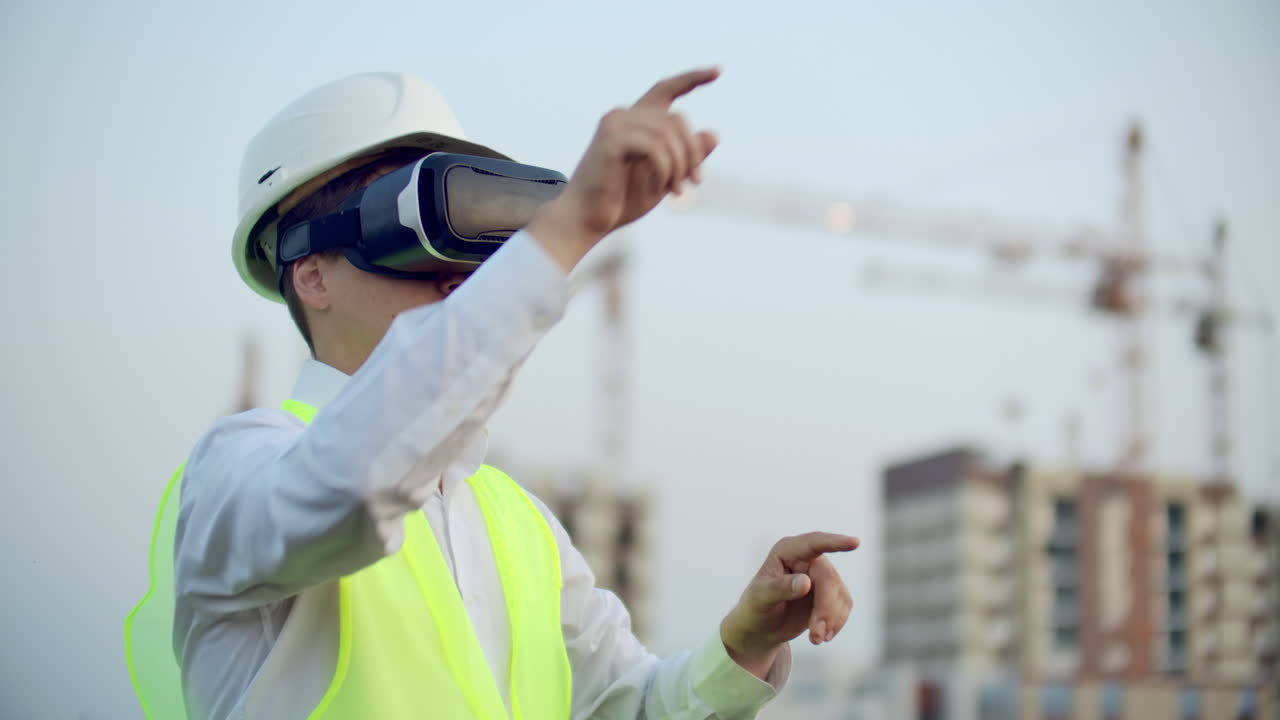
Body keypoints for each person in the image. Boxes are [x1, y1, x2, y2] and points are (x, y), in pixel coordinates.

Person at [125, 67, 860, 720]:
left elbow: (628, 706)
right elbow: (351, 486)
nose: (454, 267)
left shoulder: (521, 525)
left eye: (470, 230)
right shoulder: (240, 469)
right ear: (311, 271)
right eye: (408, 229)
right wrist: (569, 229)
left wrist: (746, 642)